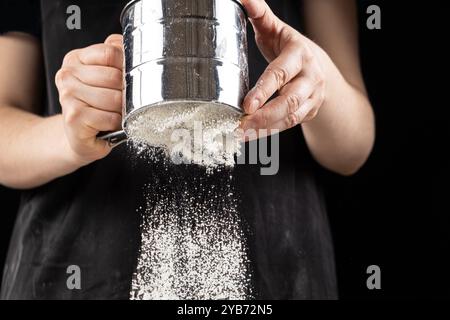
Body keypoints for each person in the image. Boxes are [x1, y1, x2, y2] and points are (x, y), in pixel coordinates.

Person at [0, 0, 375, 299]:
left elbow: (352, 147)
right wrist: (70, 139)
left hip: (277, 267)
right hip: (76, 267)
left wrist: (317, 77)